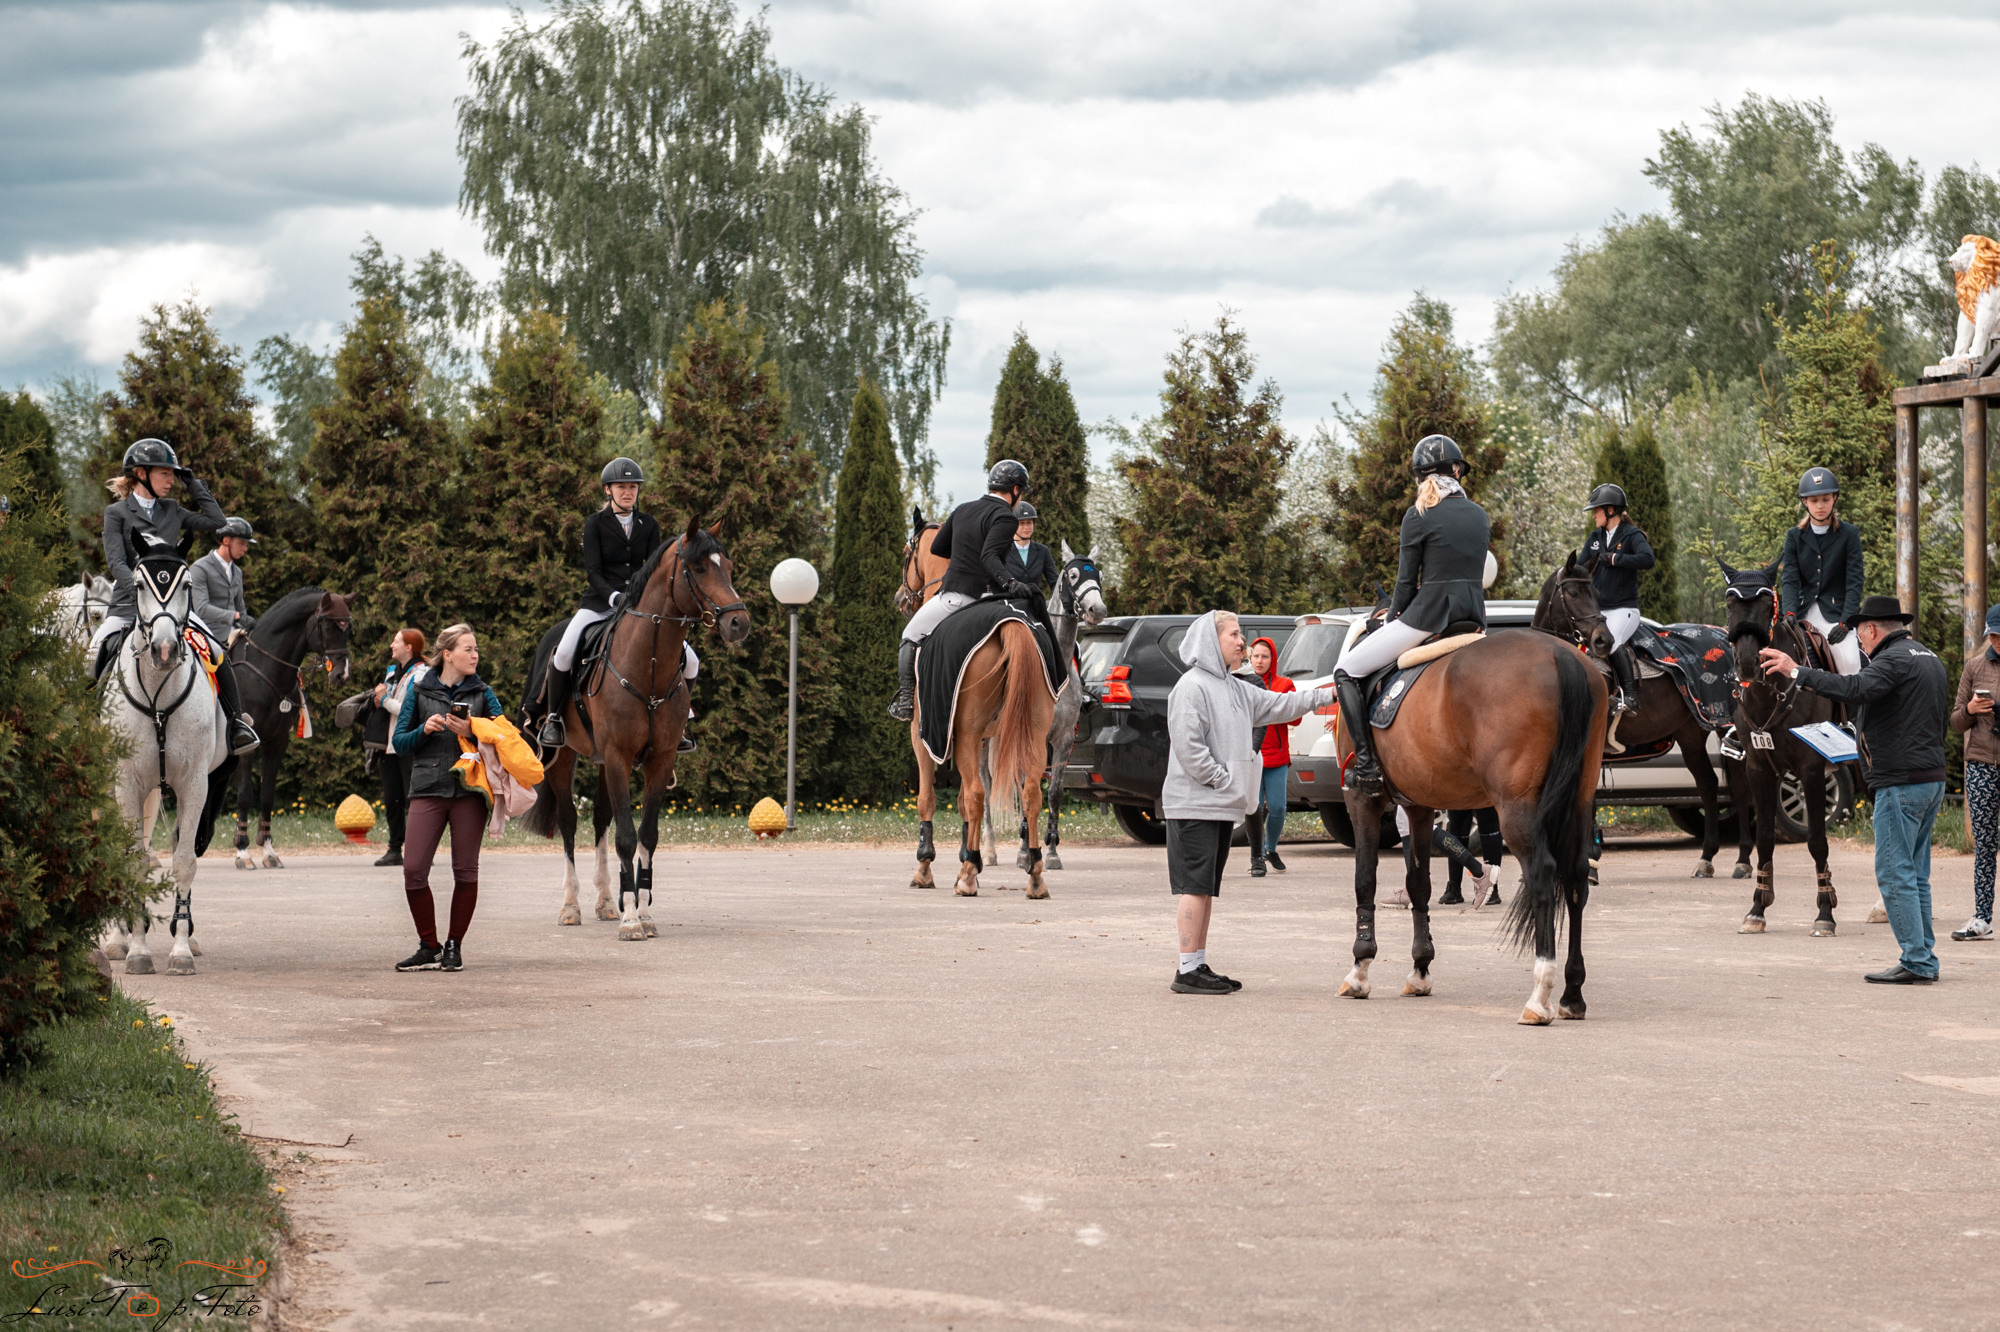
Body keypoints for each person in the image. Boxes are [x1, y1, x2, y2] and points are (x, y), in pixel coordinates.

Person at [1759, 594, 1949, 984]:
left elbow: (1853, 688)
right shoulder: (1928, 658)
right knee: (1915, 874)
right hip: (1930, 779)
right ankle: (1923, 955)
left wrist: (1797, 671)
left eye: (1860, 635)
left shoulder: (1891, 660)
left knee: (1894, 873)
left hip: (1900, 782)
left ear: (1873, 629)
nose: (1859, 642)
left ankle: (1917, 960)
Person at [1164, 610, 1335, 993]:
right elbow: (1189, 747)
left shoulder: (1237, 688)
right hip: (1193, 805)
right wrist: (1224, 780)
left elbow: (1283, 704)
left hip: (1217, 805)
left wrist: (1331, 693)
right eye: (1234, 634)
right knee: (1194, 886)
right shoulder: (1192, 686)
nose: (1242, 641)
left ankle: (1196, 964)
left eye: (1241, 634)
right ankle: (1186, 971)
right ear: (1212, 641)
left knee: (1205, 887)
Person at [1334, 434, 1490, 797]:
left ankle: (1367, 766)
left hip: (1427, 617)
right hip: (1473, 617)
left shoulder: (1418, 515)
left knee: (1346, 670)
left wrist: (1390, 620)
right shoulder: (1479, 515)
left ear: (1421, 476)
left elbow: (1405, 583)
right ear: (1456, 472)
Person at [88, 438, 258, 757]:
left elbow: (218, 522)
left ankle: (236, 724)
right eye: (165, 473)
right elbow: (116, 563)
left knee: (216, 651)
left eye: (174, 475)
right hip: (128, 606)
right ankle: (85, 727)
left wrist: (193, 484)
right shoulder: (117, 513)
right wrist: (142, 593)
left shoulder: (173, 509)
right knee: (92, 656)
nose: (171, 480)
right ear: (141, 473)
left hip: (175, 609)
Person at [539, 458, 695, 750]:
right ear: (608, 490)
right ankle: (553, 718)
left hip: (638, 608)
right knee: (564, 652)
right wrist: (614, 597)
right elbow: (593, 572)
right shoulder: (595, 524)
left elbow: (653, 570)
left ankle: (681, 722)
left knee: (692, 660)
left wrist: (643, 600)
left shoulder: (649, 524)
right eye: (621, 486)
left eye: (633, 487)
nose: (628, 492)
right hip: (599, 604)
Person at [391, 623, 504, 973]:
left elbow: (505, 737)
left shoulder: (483, 693)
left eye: (476, 649)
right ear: (448, 655)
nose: (475, 655)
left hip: (470, 792)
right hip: (427, 787)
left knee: (465, 871)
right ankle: (429, 946)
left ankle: (454, 944)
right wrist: (423, 730)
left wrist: (473, 729)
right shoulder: (419, 690)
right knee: (413, 870)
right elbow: (399, 742)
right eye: (468, 649)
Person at [889, 459, 1033, 721]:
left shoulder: (962, 509)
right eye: (1021, 491)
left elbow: (938, 548)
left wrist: (963, 557)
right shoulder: (1005, 517)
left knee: (910, 635)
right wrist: (1011, 583)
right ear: (1015, 490)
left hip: (955, 597)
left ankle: (906, 702)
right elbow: (989, 556)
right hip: (988, 599)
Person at [1579, 482, 1657, 719]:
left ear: (1610, 510)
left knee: (1610, 642)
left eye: (1596, 510)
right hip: (1599, 611)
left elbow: (1648, 559)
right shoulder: (1595, 538)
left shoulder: (1631, 535)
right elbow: (1580, 567)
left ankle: (1630, 697)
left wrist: (1615, 559)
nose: (1594, 515)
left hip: (1624, 610)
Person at [1780, 466, 1864, 676]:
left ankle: (1853, 697)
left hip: (1835, 615)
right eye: (1814, 500)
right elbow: (1790, 579)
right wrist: (1789, 612)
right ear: (1805, 502)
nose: (1820, 506)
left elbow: (1854, 583)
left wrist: (1845, 623)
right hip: (1802, 613)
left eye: (1825, 499)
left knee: (1851, 663)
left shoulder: (1849, 534)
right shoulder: (1794, 537)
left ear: (1834, 499)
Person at [1949, 604, 2000, 940]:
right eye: (1993, 635)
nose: (1998, 641)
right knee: (1984, 845)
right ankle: (1982, 917)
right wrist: (1970, 708)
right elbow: (1955, 722)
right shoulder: (1974, 667)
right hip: (1981, 764)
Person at [366, 627, 427, 868]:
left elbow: (410, 711)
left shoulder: (421, 674)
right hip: (388, 745)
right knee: (392, 800)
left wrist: (383, 700)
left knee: (415, 801)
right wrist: (379, 698)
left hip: (410, 745)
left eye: (396, 641)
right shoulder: (392, 672)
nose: (392, 645)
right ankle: (394, 849)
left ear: (409, 647)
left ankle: (419, 851)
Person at [1244, 635, 1298, 877]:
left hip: (1276, 758)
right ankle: (1257, 856)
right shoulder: (1241, 682)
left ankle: (1271, 849)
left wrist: (1270, 707)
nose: (1259, 660)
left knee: (1278, 808)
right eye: (1255, 656)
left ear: (1272, 659)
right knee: (1252, 808)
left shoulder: (1284, 684)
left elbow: (1296, 718)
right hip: (1250, 756)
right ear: (1249, 657)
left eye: (1265, 656)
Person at [189, 516, 258, 647]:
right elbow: (201, 608)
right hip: (208, 637)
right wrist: (235, 616)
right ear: (226, 541)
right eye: (241, 543)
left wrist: (247, 623)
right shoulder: (200, 568)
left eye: (246, 544)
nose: (245, 549)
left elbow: (240, 606)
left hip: (235, 636)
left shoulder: (237, 571)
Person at [1008, 500, 1059, 596]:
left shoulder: (1043, 551)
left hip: (1034, 601)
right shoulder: (1003, 550)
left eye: (1029, 522)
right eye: (1021, 523)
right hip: (1009, 601)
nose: (1026, 527)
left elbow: (1055, 582)